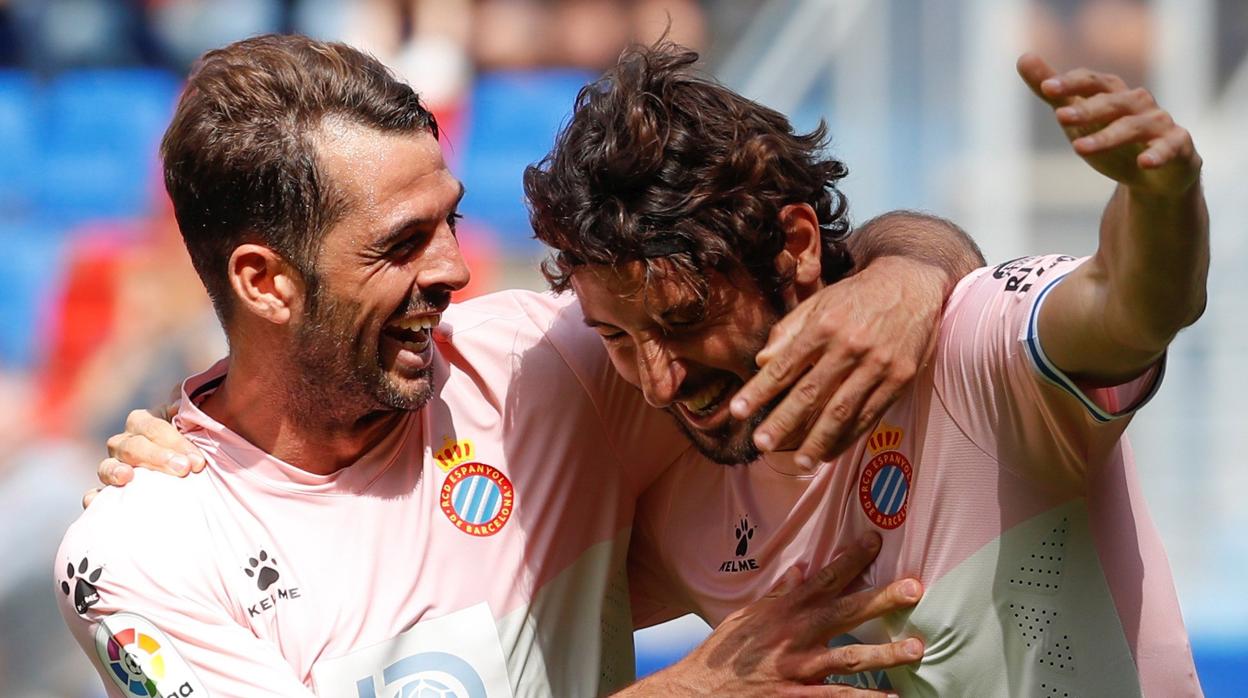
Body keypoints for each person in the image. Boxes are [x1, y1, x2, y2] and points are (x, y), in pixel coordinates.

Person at [57, 34, 984, 697]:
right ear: (264, 281)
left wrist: (908, 270)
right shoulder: (141, 554)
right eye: (402, 243)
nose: (455, 268)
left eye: (449, 218)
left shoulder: (546, 367)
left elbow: (793, 272)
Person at [519, 46, 1207, 695]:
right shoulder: (668, 491)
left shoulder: (969, 353)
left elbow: (1130, 310)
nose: (658, 380)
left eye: (685, 321)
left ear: (795, 245)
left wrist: (1160, 202)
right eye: (614, 333)